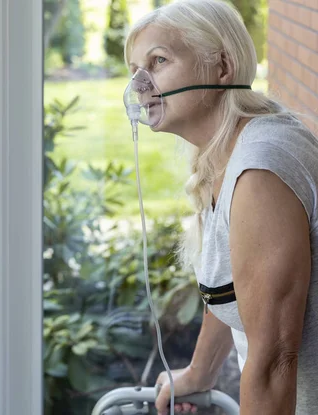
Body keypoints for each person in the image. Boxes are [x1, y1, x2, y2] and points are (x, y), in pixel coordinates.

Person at [125, 1, 318, 414]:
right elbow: (238, 284)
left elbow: (273, 362)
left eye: (158, 61)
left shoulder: (260, 172)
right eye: (134, 69)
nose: (139, 86)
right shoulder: (222, 155)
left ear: (222, 67)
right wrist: (200, 371)